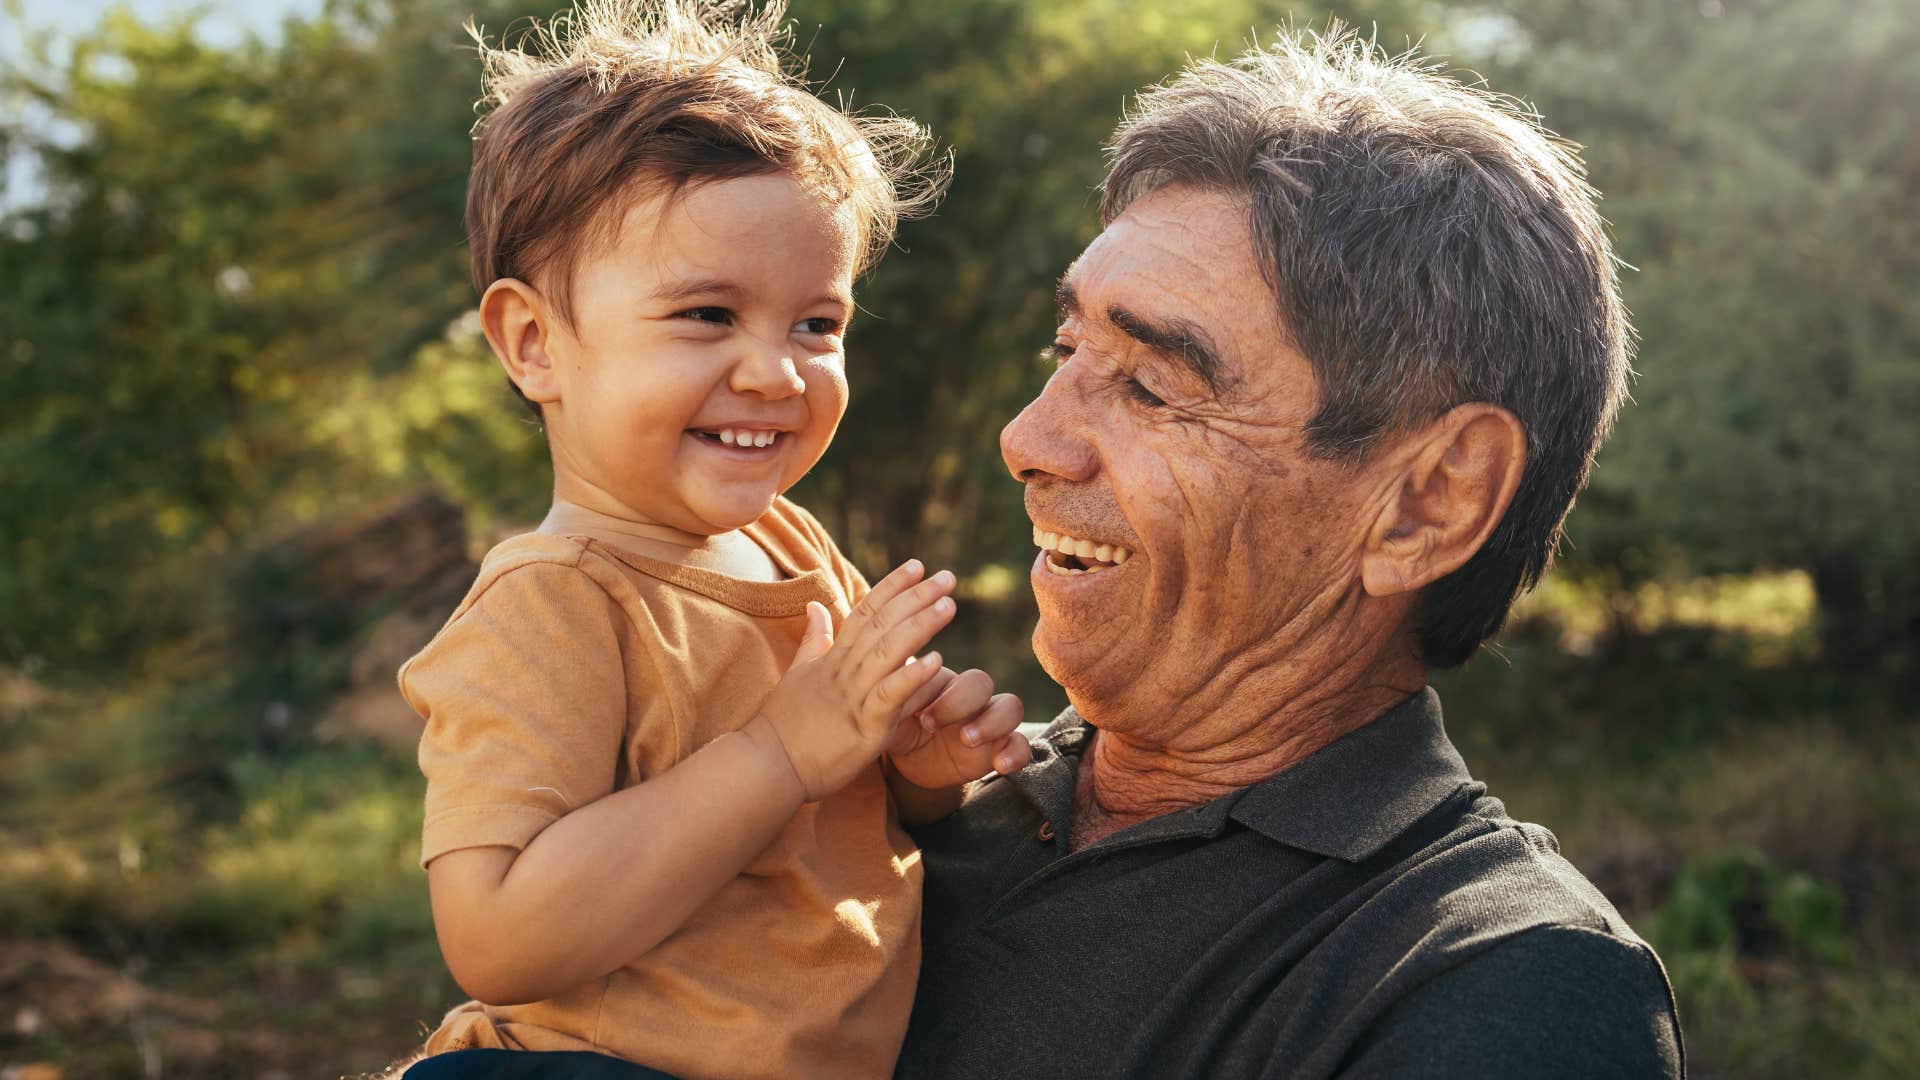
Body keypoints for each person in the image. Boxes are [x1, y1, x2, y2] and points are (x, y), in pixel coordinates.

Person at [896, 28, 1686, 1080]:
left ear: (1428, 504)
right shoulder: (906, 796)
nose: (1028, 440)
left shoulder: (1499, 982)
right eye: (1070, 348)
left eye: (1151, 384)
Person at [392, 3, 1028, 1077]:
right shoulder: (553, 603)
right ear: (535, 343)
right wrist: (779, 751)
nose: (776, 373)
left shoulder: (797, 549)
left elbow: (838, 818)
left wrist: (922, 773)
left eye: (816, 324)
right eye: (706, 316)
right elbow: (497, 936)